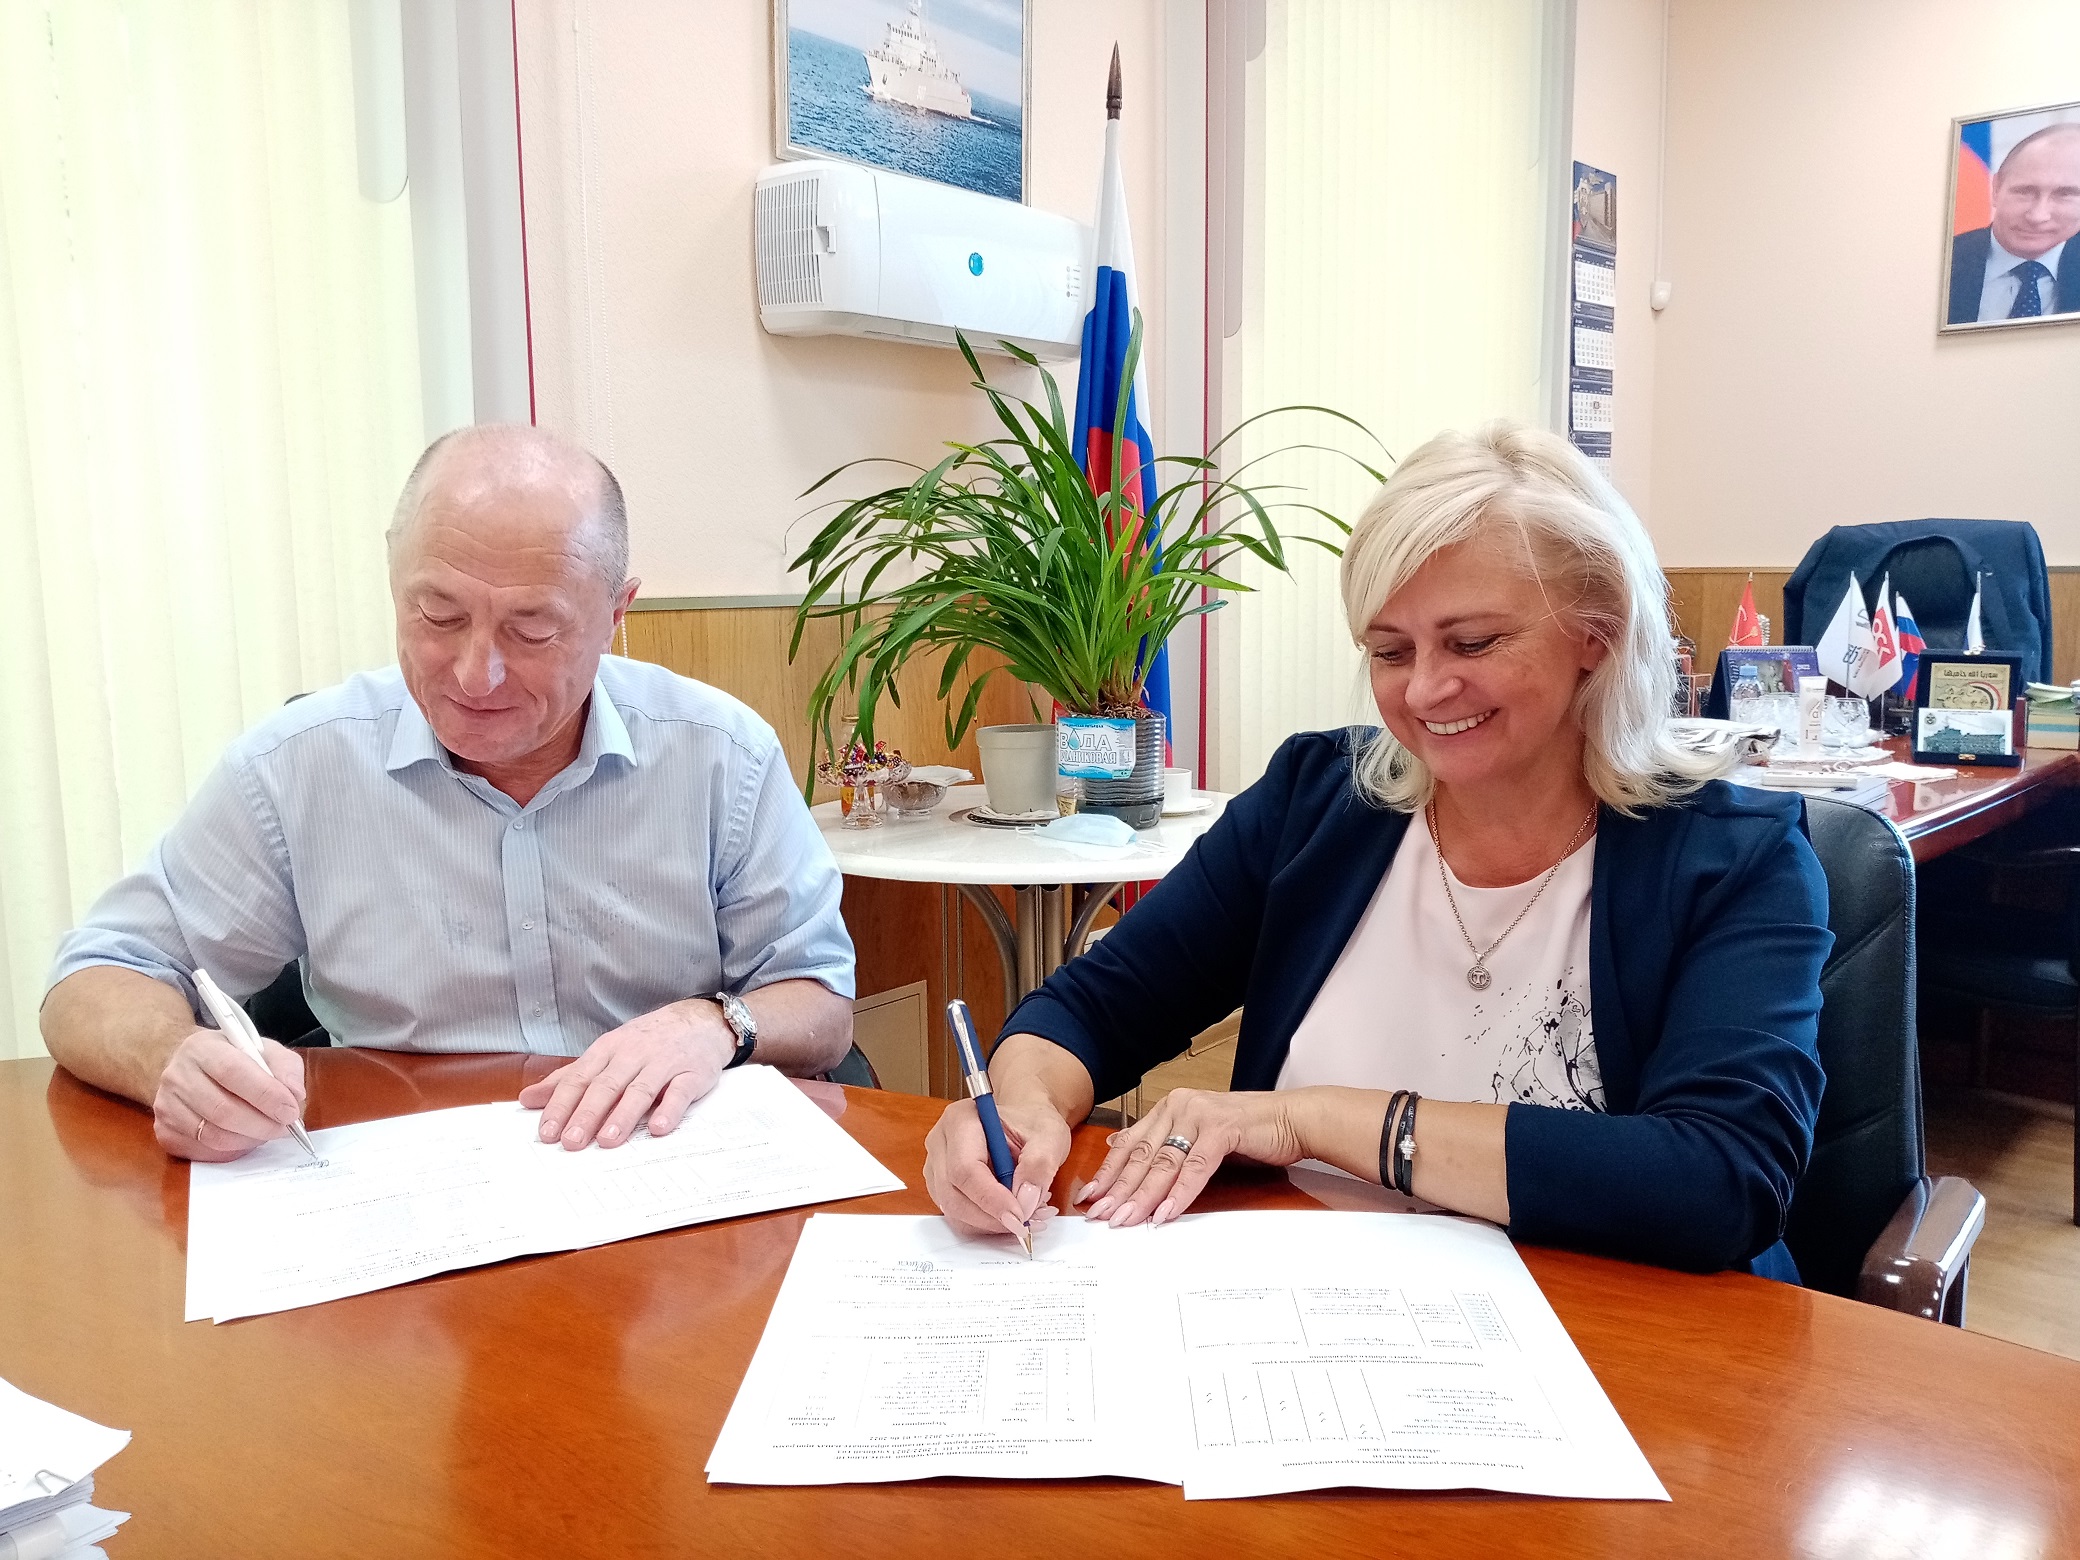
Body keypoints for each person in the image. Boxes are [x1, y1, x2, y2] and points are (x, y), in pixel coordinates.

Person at [924, 421, 1833, 1279]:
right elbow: (1092, 1009)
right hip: (1299, 1309)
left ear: (1596, 635)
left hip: (1608, 1337)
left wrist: (1313, 1120)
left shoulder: (1737, 861)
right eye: (1391, 652)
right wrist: (1020, 1107)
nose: (1427, 691)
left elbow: (1721, 1179)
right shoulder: (1316, 803)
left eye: (1472, 642)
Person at [42, 424, 855, 1162]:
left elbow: (821, 1004)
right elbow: (97, 974)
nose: (476, 674)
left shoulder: (720, 755)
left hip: (664, 1161)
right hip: (409, 1174)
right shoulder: (298, 768)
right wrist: (172, 1060)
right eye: (438, 616)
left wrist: (712, 1024)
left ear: (617, 613)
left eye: (532, 629)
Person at [1948, 121, 2080, 324]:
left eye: (2065, 194)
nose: (2038, 216)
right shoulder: (1944, 261)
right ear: (1996, 189)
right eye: (2024, 191)